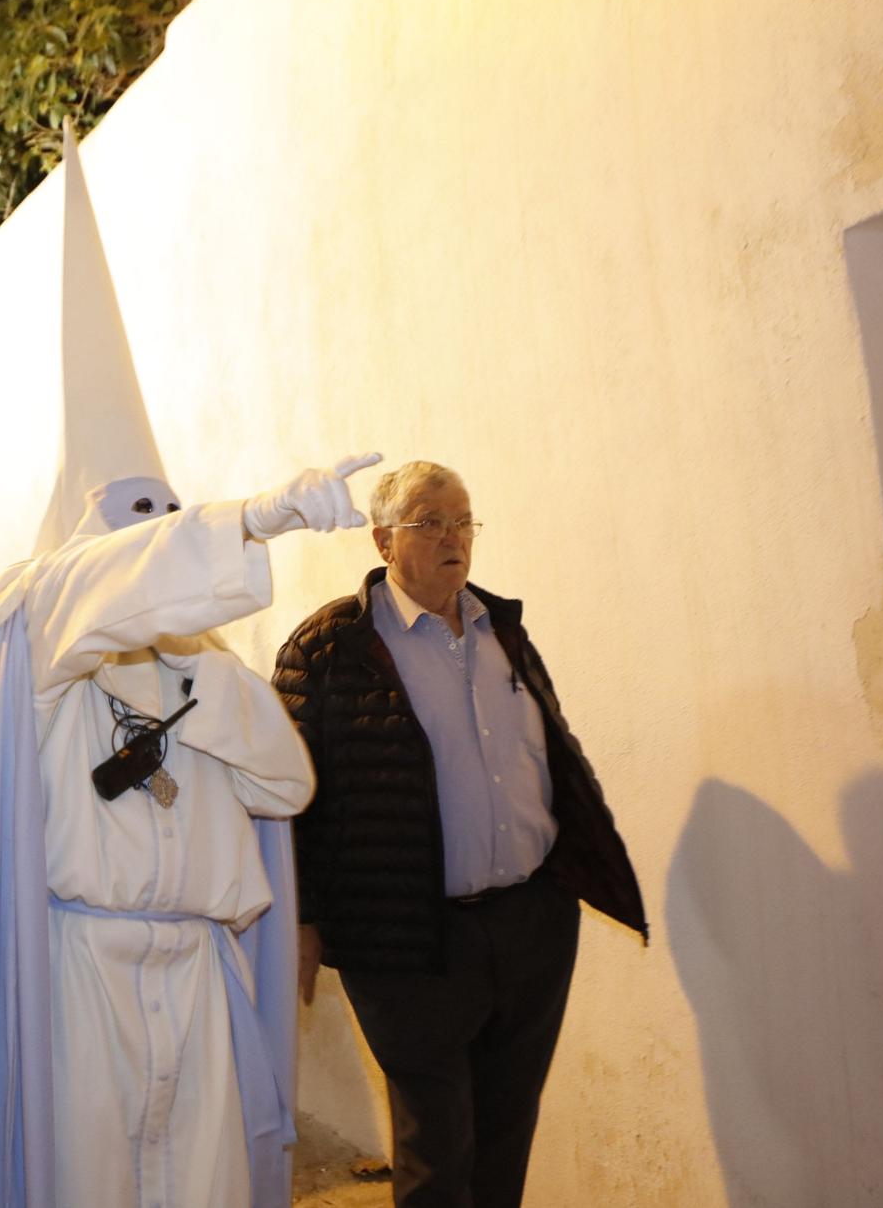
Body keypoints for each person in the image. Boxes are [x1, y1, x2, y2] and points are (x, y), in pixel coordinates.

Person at [0, 128, 369, 1207]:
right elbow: (108, 586)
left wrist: (198, 707)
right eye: (126, 526)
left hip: (193, 973)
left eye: (161, 518)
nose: (149, 541)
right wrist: (258, 516)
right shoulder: (34, 632)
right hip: (79, 975)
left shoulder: (213, 672)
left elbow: (286, 784)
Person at [271, 460, 646, 1208]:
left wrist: (571, 877)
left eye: (463, 520)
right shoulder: (327, 647)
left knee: (506, 1135)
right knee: (437, 1150)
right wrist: (303, 922)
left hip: (532, 921)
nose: (453, 536)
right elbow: (290, 798)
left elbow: (552, 752)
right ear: (383, 539)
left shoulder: (500, 625)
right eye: (429, 521)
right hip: (405, 937)